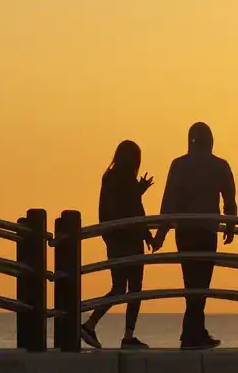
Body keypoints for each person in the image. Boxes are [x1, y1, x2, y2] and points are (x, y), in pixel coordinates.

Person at [152, 122, 238, 349]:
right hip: (207, 230)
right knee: (201, 284)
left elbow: (169, 201)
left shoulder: (179, 165)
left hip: (185, 230)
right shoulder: (220, 165)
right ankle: (193, 333)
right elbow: (229, 198)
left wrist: (161, 232)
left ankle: (193, 332)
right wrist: (230, 224)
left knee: (191, 282)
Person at [81, 140, 155, 349]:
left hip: (114, 239)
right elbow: (134, 209)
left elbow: (120, 205)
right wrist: (147, 234)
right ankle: (127, 336)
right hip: (130, 238)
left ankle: (90, 324)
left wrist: (138, 190)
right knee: (135, 290)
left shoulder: (110, 177)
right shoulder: (126, 178)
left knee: (119, 288)